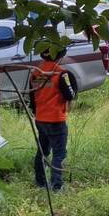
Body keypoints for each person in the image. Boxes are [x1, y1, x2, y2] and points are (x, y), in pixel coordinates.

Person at [31, 49, 75, 192]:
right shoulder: (61, 73)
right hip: (55, 119)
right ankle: (57, 186)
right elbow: (70, 94)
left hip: (40, 118)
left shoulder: (37, 72)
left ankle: (40, 181)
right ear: (59, 57)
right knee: (59, 153)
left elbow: (32, 96)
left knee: (43, 151)